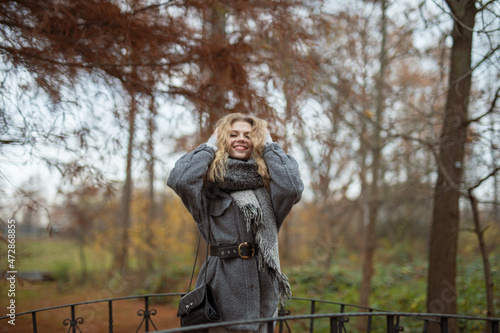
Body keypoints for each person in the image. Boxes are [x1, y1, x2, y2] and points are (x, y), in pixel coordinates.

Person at [167, 113, 303, 332]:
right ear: (223, 140)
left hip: (262, 293)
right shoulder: (208, 189)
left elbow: (291, 187)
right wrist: (209, 147)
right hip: (219, 288)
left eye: (248, 135)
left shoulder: (269, 190)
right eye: (233, 134)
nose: (241, 138)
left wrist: (269, 145)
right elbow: (180, 180)